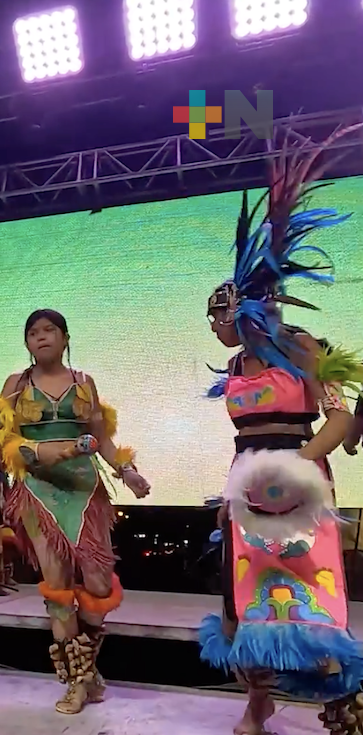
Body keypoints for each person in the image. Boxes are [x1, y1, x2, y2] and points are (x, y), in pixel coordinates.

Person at [196, 125, 363, 735]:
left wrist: (295, 466)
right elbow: (244, 439)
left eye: (224, 311)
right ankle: (257, 701)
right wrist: (236, 489)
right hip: (248, 485)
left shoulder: (305, 348)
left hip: (302, 483)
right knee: (247, 598)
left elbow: (339, 417)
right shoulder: (235, 367)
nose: (220, 323)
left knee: (315, 592)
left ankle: (342, 707)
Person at [0, 308, 151, 714]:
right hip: (39, 490)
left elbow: (101, 438)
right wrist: (38, 452)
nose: (41, 337)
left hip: (84, 489)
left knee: (98, 582)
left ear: (65, 337)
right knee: (57, 584)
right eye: (33, 333)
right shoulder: (16, 385)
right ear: (26, 342)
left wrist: (127, 471)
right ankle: (78, 680)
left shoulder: (83, 382)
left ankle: (87, 667)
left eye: (49, 330)